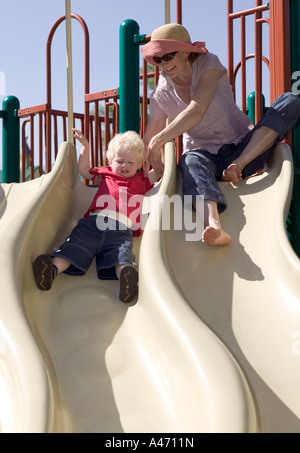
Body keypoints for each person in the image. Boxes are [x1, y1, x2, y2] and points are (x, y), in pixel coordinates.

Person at [141, 23, 300, 246]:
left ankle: (237, 166)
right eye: (157, 59)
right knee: (189, 159)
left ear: (186, 51)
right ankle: (214, 226)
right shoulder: (160, 94)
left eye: (168, 55)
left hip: (243, 146)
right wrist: (125, 168)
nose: (163, 64)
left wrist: (159, 140)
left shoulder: (208, 63)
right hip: (206, 158)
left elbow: (197, 110)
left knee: (289, 101)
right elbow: (148, 138)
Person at [33, 129, 159, 303]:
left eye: (131, 162)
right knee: (75, 247)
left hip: (122, 229)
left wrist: (162, 149)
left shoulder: (141, 181)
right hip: (94, 223)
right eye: (120, 161)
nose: (125, 166)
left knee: (121, 255)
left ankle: (126, 279)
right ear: (110, 161)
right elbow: (83, 170)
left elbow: (160, 172)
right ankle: (51, 270)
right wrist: (85, 147)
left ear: (139, 164)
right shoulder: (106, 174)